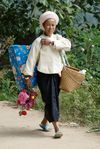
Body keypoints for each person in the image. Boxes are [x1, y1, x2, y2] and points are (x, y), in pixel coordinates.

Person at [22, 11, 71, 138]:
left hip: (57, 75)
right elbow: (31, 58)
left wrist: (51, 43)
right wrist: (27, 75)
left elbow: (68, 45)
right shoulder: (38, 41)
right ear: (43, 26)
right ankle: (56, 128)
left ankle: (44, 123)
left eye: (53, 25)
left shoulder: (58, 38)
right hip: (43, 75)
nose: (51, 27)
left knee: (52, 99)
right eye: (48, 25)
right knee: (51, 99)